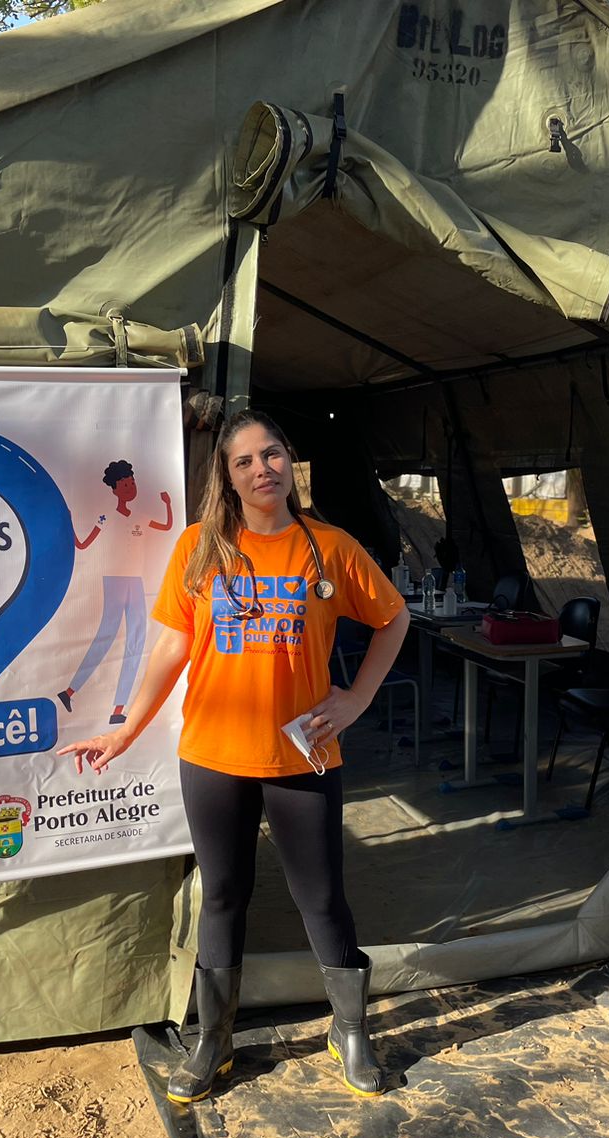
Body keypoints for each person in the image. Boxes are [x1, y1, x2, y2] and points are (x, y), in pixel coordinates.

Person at [58, 409, 409, 1102]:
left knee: (322, 899)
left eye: (272, 453)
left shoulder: (330, 547)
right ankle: (213, 1038)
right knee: (223, 896)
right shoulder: (200, 546)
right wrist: (125, 729)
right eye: (245, 460)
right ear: (227, 475)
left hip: (303, 758)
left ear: (290, 460)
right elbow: (171, 647)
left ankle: (350, 1029)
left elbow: (393, 618)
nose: (262, 468)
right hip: (213, 757)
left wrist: (357, 698)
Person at [57, 460, 174, 724]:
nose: (130, 487)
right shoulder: (107, 517)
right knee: (108, 637)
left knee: (135, 641)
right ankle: (71, 691)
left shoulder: (141, 518)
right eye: (124, 484)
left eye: (132, 482)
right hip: (115, 583)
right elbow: (83, 544)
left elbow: (167, 527)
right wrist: (68, 521)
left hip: (135, 583)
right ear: (114, 489)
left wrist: (167, 503)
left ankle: (118, 709)